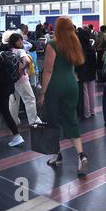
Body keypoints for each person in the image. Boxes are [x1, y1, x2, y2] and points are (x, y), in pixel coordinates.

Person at [38, 17, 89, 176]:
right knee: (71, 118)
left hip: (56, 85)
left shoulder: (52, 45)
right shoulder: (74, 44)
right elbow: (73, 68)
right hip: (71, 84)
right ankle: (81, 155)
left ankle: (56, 155)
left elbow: (48, 71)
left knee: (52, 119)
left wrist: (42, 93)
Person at [8, 33, 41, 126]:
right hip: (22, 79)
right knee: (30, 99)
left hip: (12, 79)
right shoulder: (20, 51)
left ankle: (13, 121)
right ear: (15, 42)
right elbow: (27, 61)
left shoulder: (9, 51)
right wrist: (21, 69)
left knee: (14, 101)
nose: (22, 42)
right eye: (20, 40)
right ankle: (33, 120)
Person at [76, 28, 98, 119]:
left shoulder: (79, 49)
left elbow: (78, 63)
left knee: (84, 93)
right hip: (92, 72)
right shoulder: (91, 48)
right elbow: (95, 62)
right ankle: (92, 111)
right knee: (92, 92)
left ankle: (86, 112)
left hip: (82, 72)